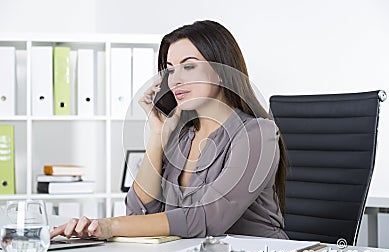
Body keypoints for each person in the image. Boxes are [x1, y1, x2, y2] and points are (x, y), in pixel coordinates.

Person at [50, 20, 288, 240]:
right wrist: (158, 136)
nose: (175, 81)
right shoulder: (181, 137)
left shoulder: (258, 134)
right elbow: (139, 212)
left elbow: (206, 219)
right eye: (170, 69)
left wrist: (109, 226)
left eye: (189, 66)